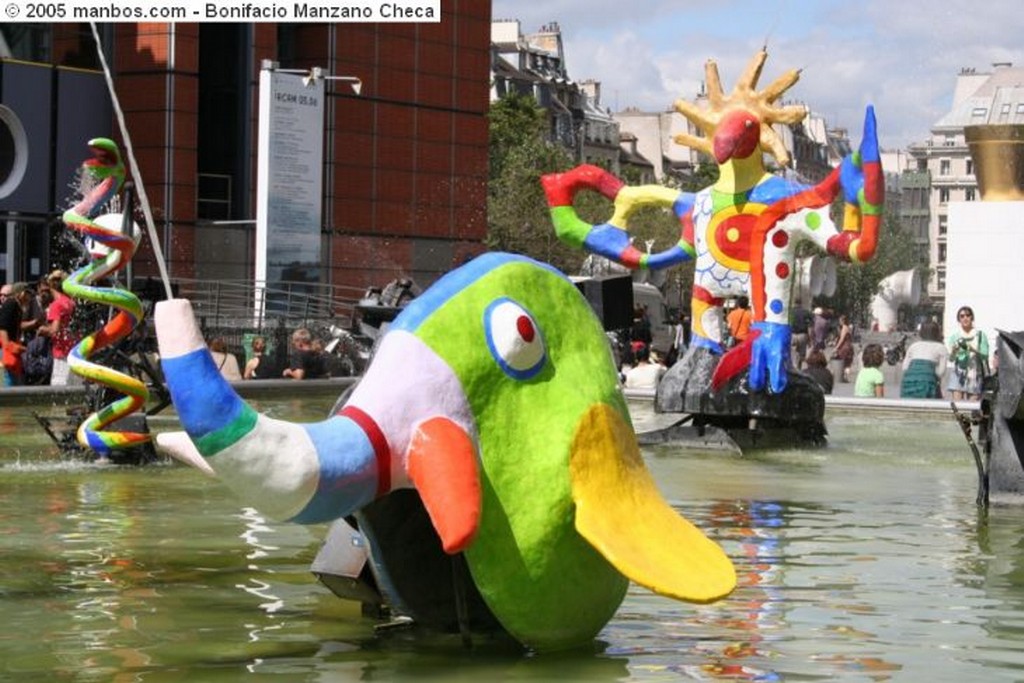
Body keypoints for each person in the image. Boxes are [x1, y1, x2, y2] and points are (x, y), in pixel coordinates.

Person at [37, 270, 80, 386]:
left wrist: (42, 330)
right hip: (73, 351)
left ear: (50, 286)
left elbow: (54, 330)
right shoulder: (70, 302)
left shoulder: (56, 305)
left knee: (58, 391)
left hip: (61, 354)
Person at [946, 305, 989, 401]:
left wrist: (974, 350)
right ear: (959, 320)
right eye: (962, 316)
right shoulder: (955, 336)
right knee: (957, 407)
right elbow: (951, 359)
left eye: (967, 315)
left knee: (972, 408)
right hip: (958, 373)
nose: (965, 318)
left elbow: (985, 356)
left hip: (975, 374)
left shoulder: (980, 335)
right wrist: (954, 351)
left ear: (972, 317)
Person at [900, 320, 948, 399]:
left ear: (921, 333)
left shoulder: (913, 346)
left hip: (908, 381)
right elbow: (940, 372)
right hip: (927, 382)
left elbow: (905, 367)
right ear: (938, 333)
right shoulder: (941, 348)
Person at [0, 283, 32, 386]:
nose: (30, 298)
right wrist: (7, 345)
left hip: (10, 348)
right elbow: (2, 326)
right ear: (22, 293)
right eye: (28, 294)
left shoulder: (17, 306)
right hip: (6, 350)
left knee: (12, 378)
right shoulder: (11, 303)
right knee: (8, 380)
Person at [790, 300, 813, 369]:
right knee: (801, 355)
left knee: (794, 355)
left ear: (794, 303)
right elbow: (810, 326)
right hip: (802, 335)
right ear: (801, 303)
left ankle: (795, 369)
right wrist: (810, 339)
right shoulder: (806, 312)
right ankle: (799, 369)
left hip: (792, 335)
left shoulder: (790, 312)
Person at [832, 314, 855, 382]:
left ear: (843, 321)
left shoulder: (844, 328)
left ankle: (842, 377)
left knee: (842, 361)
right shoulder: (848, 327)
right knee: (847, 362)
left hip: (845, 346)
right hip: (849, 346)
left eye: (840, 320)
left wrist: (836, 347)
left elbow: (842, 339)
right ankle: (845, 377)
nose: (839, 322)